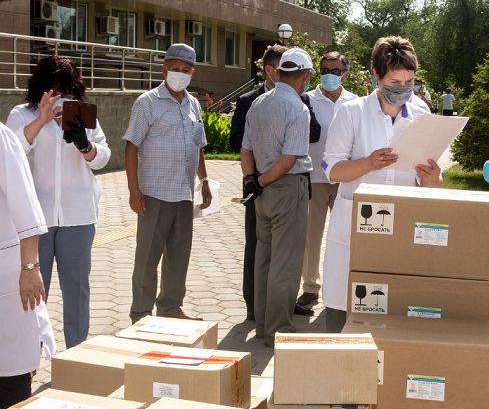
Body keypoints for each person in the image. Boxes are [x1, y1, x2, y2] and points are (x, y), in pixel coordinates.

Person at [321, 36, 442, 332]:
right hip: (357, 228)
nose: (402, 89)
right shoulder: (352, 112)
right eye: (394, 81)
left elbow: (428, 181)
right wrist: (368, 163)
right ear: (376, 74)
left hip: (401, 229)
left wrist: (432, 179)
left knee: (394, 314)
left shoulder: (421, 115)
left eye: (409, 81)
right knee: (345, 309)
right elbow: (331, 170)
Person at [6, 56, 110, 347]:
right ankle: (31, 352)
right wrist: (41, 121)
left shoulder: (83, 115)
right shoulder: (21, 115)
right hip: (34, 221)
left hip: (79, 217)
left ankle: (76, 352)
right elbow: (10, 154)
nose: (59, 97)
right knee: (35, 291)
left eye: (65, 90)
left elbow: (102, 158)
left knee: (77, 289)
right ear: (40, 88)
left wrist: (85, 145)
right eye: (53, 90)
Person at [230, 44, 321, 321]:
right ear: (305, 75)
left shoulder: (259, 103)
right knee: (286, 262)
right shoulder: (298, 108)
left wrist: (252, 180)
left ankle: (260, 322)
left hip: (262, 192)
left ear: (279, 72)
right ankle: (277, 328)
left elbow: (245, 149)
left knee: (264, 259)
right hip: (286, 187)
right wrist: (260, 180)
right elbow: (288, 161)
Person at [123, 43, 212, 323]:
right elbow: (131, 147)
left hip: (184, 194)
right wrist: (134, 191)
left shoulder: (193, 104)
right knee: (147, 258)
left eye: (186, 70)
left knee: (178, 256)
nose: (180, 74)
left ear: (192, 73)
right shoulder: (147, 102)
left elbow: (198, 146)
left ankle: (170, 308)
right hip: (154, 194)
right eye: (175, 69)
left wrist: (204, 181)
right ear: (164, 71)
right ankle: (141, 313)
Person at [296, 51, 358, 314]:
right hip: (316, 179)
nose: (329, 75)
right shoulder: (307, 100)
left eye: (335, 71)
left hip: (346, 179)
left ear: (346, 74)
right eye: (324, 70)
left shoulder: (355, 103)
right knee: (311, 237)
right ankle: (310, 287)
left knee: (349, 236)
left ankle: (348, 287)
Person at [0, 121, 55, 409]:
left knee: (10, 374)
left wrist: (30, 267)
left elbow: (25, 202)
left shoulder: (1, 137)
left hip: (6, 275)